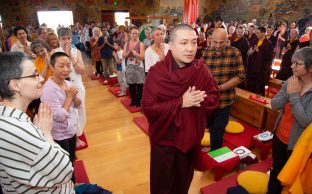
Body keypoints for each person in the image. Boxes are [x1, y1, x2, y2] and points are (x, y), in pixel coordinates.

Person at [142, 24, 219, 194]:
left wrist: (201, 98)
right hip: (164, 142)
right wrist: (181, 102)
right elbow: (148, 108)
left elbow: (214, 94)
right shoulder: (158, 73)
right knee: (162, 186)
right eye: (184, 43)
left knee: (182, 184)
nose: (190, 48)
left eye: (193, 42)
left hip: (189, 140)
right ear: (171, 45)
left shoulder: (201, 70)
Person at [0, 52, 74, 193]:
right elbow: (64, 171)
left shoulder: (11, 118)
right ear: (15, 85)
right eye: (34, 75)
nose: (41, 79)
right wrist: (46, 134)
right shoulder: (17, 130)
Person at [267, 47, 312, 194]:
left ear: (310, 68)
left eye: (297, 63)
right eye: (292, 62)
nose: (292, 66)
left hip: (297, 145)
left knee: (289, 180)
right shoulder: (290, 81)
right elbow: (274, 104)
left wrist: (293, 97)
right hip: (279, 136)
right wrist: (289, 93)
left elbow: (305, 121)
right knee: (275, 172)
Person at [40, 52, 82, 184]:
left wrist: (73, 96)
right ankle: (69, 185)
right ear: (52, 67)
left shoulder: (67, 83)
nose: (66, 69)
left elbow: (78, 104)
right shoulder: (48, 89)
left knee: (71, 159)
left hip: (70, 130)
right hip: (59, 134)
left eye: (68, 66)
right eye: (61, 66)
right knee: (63, 164)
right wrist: (69, 97)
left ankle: (72, 182)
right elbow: (59, 117)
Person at [202, 28, 245, 150]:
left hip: (225, 100)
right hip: (208, 100)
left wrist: (219, 88)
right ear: (210, 40)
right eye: (215, 42)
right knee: (209, 126)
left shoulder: (235, 53)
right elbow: (200, 73)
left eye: (221, 42)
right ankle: (212, 146)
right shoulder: (206, 52)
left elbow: (240, 76)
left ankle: (216, 154)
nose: (218, 45)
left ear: (227, 40)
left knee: (219, 129)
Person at [53, 27, 87, 150]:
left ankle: (78, 134)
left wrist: (71, 57)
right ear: (58, 39)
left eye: (68, 38)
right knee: (67, 113)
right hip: (62, 87)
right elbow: (57, 73)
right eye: (63, 39)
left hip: (77, 85)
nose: (66, 41)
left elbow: (82, 71)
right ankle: (73, 137)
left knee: (80, 110)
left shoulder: (76, 51)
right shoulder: (55, 53)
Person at [246, 26, 274, 96]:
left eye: (258, 33)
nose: (257, 34)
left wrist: (259, 51)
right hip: (252, 68)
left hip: (261, 70)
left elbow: (269, 57)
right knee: (250, 88)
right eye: (256, 33)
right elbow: (249, 52)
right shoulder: (254, 41)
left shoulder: (268, 43)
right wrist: (249, 53)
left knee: (258, 89)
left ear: (264, 33)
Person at [123, 26, 145, 107]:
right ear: (130, 34)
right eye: (133, 33)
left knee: (139, 85)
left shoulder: (141, 44)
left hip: (139, 66)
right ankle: (133, 100)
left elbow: (142, 56)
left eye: (136, 33)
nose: (135, 35)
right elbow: (123, 55)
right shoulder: (127, 43)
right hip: (130, 66)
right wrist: (129, 51)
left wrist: (135, 53)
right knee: (131, 84)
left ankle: (139, 101)